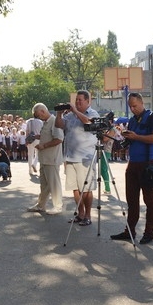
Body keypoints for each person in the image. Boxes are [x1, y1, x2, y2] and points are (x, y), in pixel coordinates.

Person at [110, 92, 153, 244]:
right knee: (131, 200)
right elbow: (132, 138)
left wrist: (136, 137)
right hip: (133, 163)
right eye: (130, 106)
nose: (133, 109)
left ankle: (149, 232)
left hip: (147, 163)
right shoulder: (132, 120)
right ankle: (129, 230)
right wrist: (125, 141)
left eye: (135, 106)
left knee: (149, 200)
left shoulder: (152, 117)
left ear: (141, 102)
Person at [54, 90, 99, 226]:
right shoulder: (70, 116)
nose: (77, 102)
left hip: (85, 158)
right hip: (70, 156)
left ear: (87, 101)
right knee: (75, 188)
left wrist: (75, 111)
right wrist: (59, 114)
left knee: (86, 188)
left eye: (80, 100)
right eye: (76, 100)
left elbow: (88, 123)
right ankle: (80, 214)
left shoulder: (92, 113)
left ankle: (88, 215)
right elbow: (59, 125)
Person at [27, 103, 64, 214]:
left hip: (51, 158)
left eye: (39, 115)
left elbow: (59, 139)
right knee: (44, 185)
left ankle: (58, 206)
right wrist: (38, 137)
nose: (39, 118)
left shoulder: (54, 121)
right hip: (44, 159)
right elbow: (49, 135)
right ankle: (41, 205)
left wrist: (44, 145)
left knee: (54, 184)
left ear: (43, 111)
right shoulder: (46, 122)